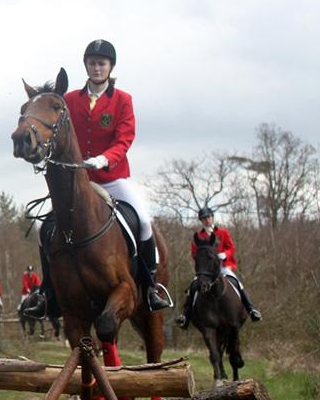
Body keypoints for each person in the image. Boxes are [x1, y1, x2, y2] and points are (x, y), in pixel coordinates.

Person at [62, 39, 173, 311]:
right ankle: (47, 293)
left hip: (112, 178)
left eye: (101, 63)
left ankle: (150, 286)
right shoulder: (69, 100)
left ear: (110, 67)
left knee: (145, 223)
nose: (96, 67)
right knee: (47, 228)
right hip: (79, 182)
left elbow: (125, 139)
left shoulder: (123, 100)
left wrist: (103, 159)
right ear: (86, 66)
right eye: (92, 63)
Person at [176, 206, 262, 326]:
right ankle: (185, 315)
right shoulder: (198, 236)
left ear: (212, 217)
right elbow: (194, 253)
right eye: (203, 218)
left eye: (208, 217)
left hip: (223, 266)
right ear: (201, 221)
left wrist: (225, 254)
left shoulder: (223, 232)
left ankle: (251, 310)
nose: (207, 220)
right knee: (193, 286)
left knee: (237, 282)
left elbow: (231, 247)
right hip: (206, 269)